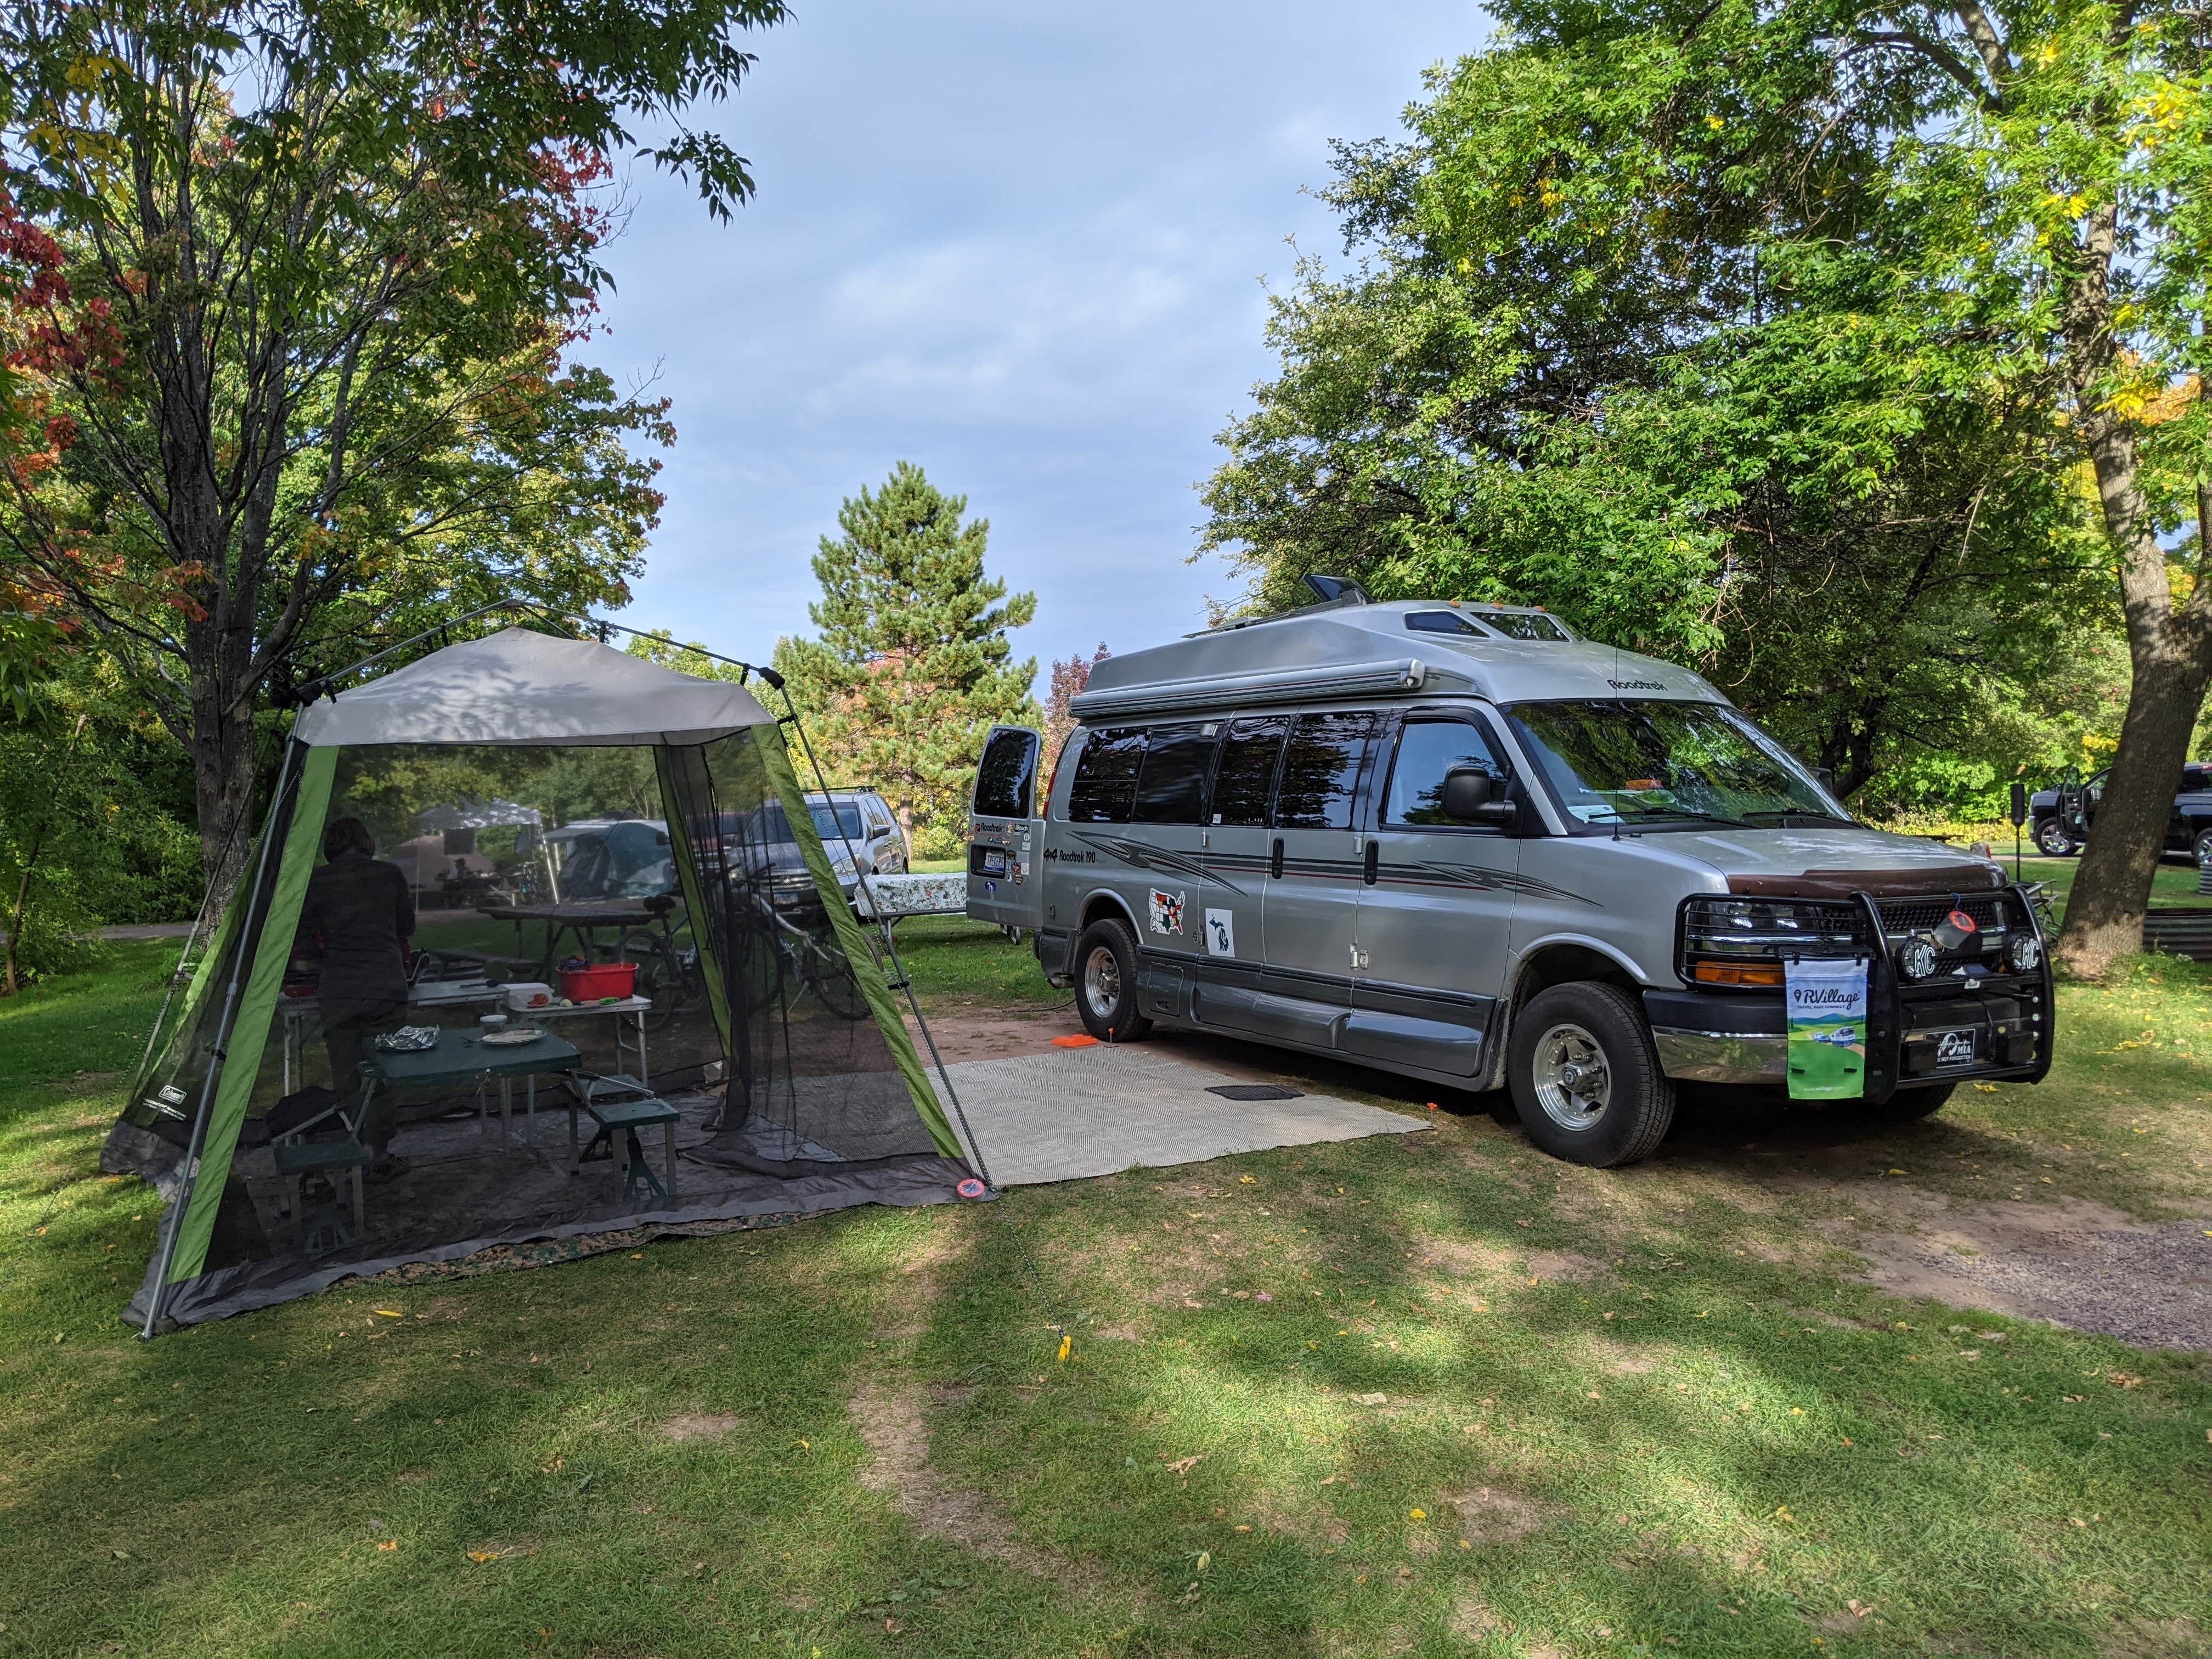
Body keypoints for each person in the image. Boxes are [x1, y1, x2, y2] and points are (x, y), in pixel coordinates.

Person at [296, 817, 416, 1181]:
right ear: (367, 843)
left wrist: (325, 962)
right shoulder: (390, 875)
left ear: (330, 847)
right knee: (382, 1074)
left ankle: (351, 1153)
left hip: (340, 992)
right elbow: (406, 929)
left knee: (347, 1077)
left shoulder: (316, 881)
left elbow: (301, 940)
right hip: (384, 987)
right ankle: (380, 1155)